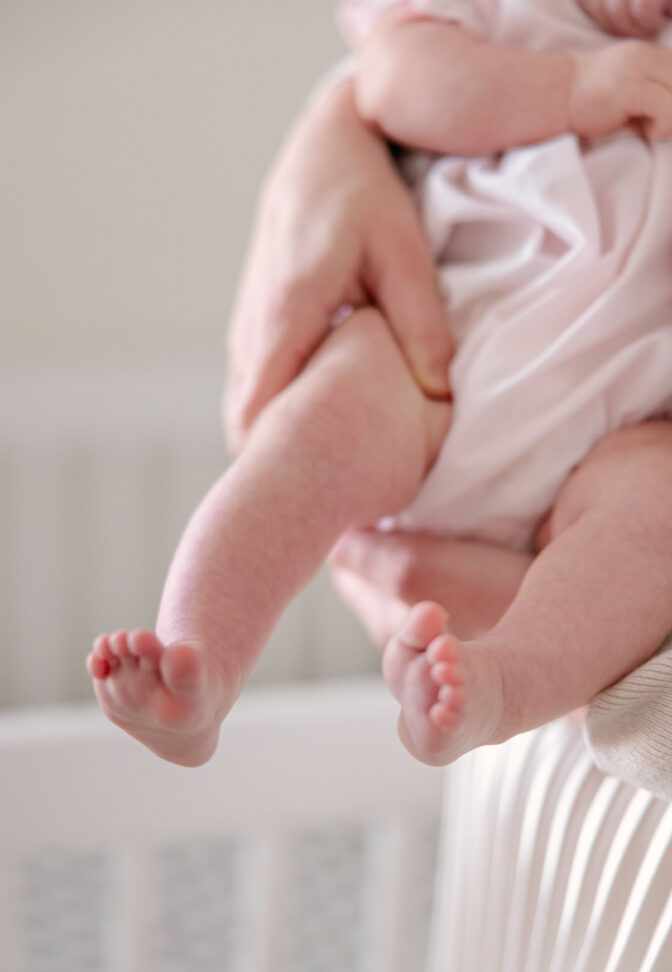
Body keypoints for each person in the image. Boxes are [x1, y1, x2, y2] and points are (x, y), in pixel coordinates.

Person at [87, 0, 672, 771]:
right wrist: (570, 87)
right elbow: (395, 79)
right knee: (307, 442)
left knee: (652, 523)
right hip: (439, 357)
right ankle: (201, 660)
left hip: (630, 421)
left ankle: (503, 685)